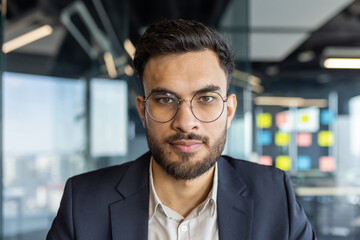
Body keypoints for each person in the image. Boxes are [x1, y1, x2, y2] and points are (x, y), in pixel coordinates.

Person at [47, 19, 316, 240]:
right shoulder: (82, 203)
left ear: (229, 111)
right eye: (165, 100)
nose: (186, 123)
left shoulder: (274, 195)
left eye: (206, 99)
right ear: (143, 111)